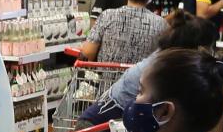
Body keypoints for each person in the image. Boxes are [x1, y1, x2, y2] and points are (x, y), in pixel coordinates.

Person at [81, 9, 210, 125]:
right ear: (194, 46)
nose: (207, 52)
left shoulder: (166, 56)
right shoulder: (162, 66)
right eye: (205, 48)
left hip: (108, 122)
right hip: (95, 130)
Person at [78, 0, 164, 64]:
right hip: (142, 79)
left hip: (106, 79)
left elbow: (87, 55)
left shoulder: (107, 16)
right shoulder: (161, 24)